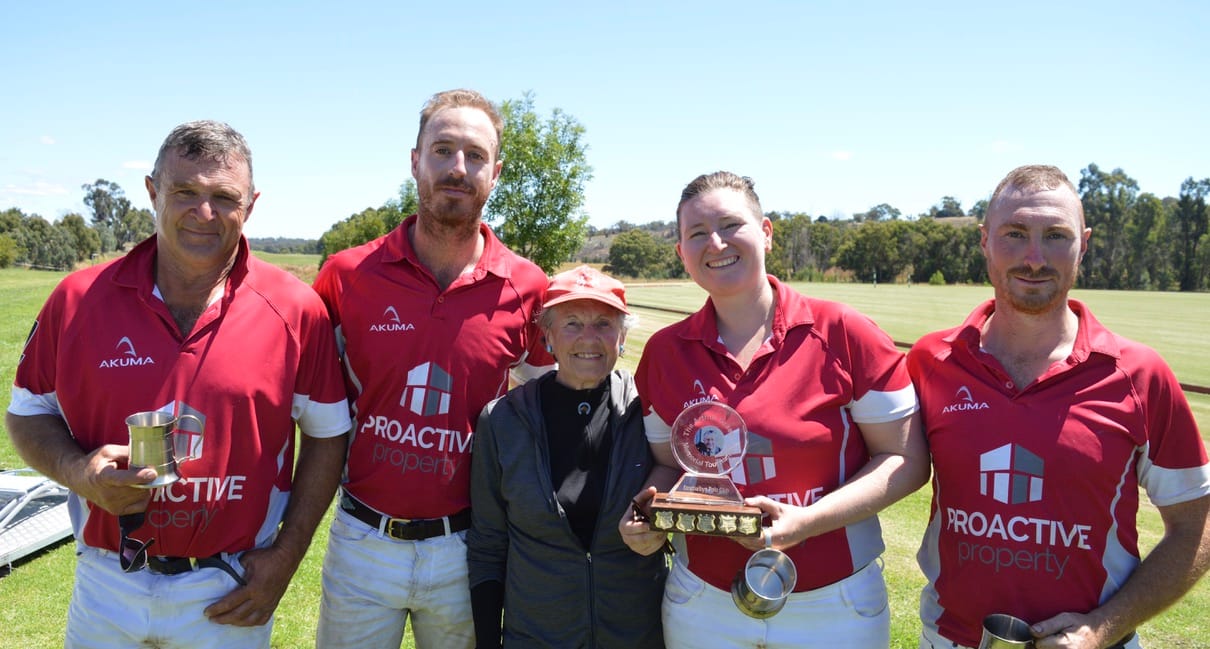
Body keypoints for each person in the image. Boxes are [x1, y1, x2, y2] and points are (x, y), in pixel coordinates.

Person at [5, 120, 351, 648]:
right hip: (107, 582)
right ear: (152, 192)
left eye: (224, 197)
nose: (204, 212)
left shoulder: (296, 310)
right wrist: (79, 472)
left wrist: (287, 555)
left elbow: (327, 435)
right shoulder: (77, 299)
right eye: (185, 191)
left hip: (229, 586)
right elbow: (29, 413)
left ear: (251, 205)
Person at [619, 171, 929, 648]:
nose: (715, 242)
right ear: (682, 253)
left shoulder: (845, 332)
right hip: (702, 601)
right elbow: (669, 465)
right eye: (697, 233)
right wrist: (648, 512)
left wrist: (807, 522)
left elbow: (906, 460)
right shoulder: (663, 353)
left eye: (730, 225)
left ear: (766, 232)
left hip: (833, 604)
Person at [910, 164, 1210, 649]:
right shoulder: (931, 361)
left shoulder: (1139, 375)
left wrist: (1103, 627)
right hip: (949, 638)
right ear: (984, 240)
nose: (1034, 258)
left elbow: (1197, 525)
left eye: (1055, 236)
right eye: (1014, 234)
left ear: (1083, 244)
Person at [311, 88, 554, 649]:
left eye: (475, 156)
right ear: (415, 160)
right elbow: (303, 404)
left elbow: (546, 417)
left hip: (469, 546)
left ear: (495, 173)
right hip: (362, 538)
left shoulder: (528, 287)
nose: (458, 168)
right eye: (443, 150)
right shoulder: (347, 275)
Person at [467, 265, 667, 649]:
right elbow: (488, 546)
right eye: (572, 323)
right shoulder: (503, 420)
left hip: (636, 635)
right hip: (536, 637)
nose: (589, 338)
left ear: (622, 337)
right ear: (547, 336)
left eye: (604, 324)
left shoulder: (649, 412)